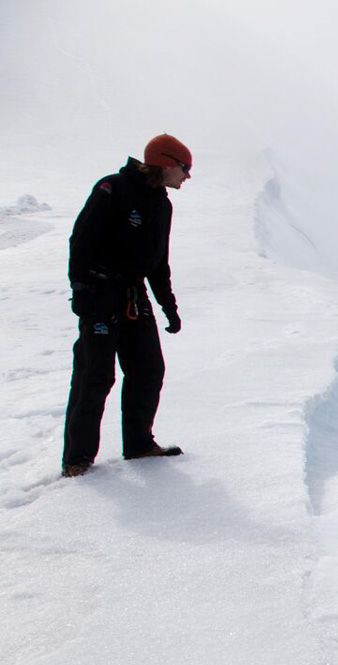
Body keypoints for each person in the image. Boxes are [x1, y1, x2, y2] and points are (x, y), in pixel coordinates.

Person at [62, 134, 192, 478]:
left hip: (134, 296)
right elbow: (81, 239)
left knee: (149, 369)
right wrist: (82, 290)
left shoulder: (161, 204)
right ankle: (77, 459)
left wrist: (169, 306)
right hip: (99, 294)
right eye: (184, 168)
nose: (187, 176)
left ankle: (138, 444)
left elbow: (158, 262)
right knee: (96, 376)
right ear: (165, 162)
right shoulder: (113, 188)